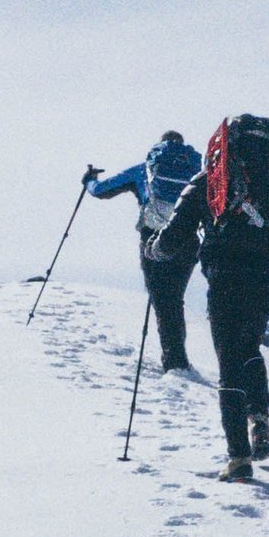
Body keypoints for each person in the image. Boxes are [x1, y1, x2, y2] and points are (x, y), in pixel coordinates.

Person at [150, 114, 269, 481]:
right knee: (250, 349)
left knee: (229, 361)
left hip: (225, 281)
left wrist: (156, 251)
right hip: (267, 283)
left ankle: (238, 458)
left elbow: (175, 231)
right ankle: (260, 416)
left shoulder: (213, 180)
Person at [84, 131, 203, 371]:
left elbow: (102, 190)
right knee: (174, 298)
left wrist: (89, 180)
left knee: (163, 300)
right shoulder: (196, 173)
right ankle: (177, 358)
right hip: (187, 241)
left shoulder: (145, 169)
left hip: (153, 239)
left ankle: (175, 362)